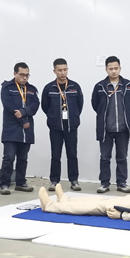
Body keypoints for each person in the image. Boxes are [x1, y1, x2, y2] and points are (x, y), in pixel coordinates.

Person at [91, 56, 130, 194]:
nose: (113, 71)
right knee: (105, 157)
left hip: (123, 128)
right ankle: (104, 183)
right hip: (106, 129)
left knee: (122, 157)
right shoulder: (100, 86)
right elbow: (95, 105)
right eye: (110, 68)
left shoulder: (128, 85)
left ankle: (122, 183)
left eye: (116, 68)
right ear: (106, 69)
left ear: (120, 68)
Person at [41, 58, 83, 192]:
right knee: (55, 155)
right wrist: (53, 117)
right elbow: (45, 106)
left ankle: (74, 180)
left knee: (72, 155)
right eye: (59, 70)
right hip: (55, 128)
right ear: (54, 71)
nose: (62, 73)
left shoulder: (75, 87)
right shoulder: (49, 88)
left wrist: (74, 117)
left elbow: (79, 105)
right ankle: (54, 181)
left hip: (71, 127)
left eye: (65, 69)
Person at [0, 62, 40, 195]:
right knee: (9, 158)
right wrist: (22, 119)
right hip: (11, 129)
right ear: (15, 73)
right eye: (22, 75)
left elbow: (35, 106)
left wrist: (24, 112)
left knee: (23, 158)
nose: (25, 77)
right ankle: (5, 184)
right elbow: (8, 106)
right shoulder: (7, 87)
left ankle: (21, 183)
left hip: (26, 130)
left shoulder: (32, 89)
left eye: (27, 75)